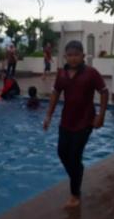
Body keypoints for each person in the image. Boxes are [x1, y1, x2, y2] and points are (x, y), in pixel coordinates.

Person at [43, 40, 109, 209]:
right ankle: (78, 172)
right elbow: (56, 93)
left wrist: (101, 115)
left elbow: (104, 91)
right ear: (65, 56)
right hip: (66, 121)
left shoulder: (91, 73)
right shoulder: (62, 74)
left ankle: (75, 194)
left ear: (83, 56)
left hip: (85, 121)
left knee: (74, 156)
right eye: (69, 55)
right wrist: (48, 116)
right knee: (62, 153)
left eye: (76, 55)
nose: (72, 59)